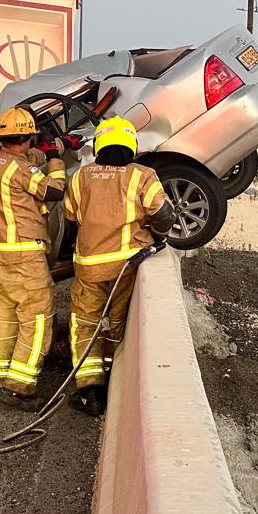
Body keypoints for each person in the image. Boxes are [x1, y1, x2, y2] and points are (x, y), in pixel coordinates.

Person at [62, 116, 176, 416]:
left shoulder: (81, 177)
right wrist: (155, 236)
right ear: (131, 145)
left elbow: (70, 217)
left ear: (99, 144)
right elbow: (164, 217)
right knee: (118, 323)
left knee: (85, 325)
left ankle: (90, 391)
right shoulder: (142, 176)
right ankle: (114, 378)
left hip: (88, 266)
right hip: (126, 265)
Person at [0, 105, 66, 403]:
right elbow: (53, 190)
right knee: (38, 317)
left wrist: (44, 151)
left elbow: (27, 161)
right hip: (24, 254)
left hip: (1, 254)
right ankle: (20, 385)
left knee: (8, 319)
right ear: (28, 136)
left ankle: (4, 377)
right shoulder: (19, 169)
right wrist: (56, 159)